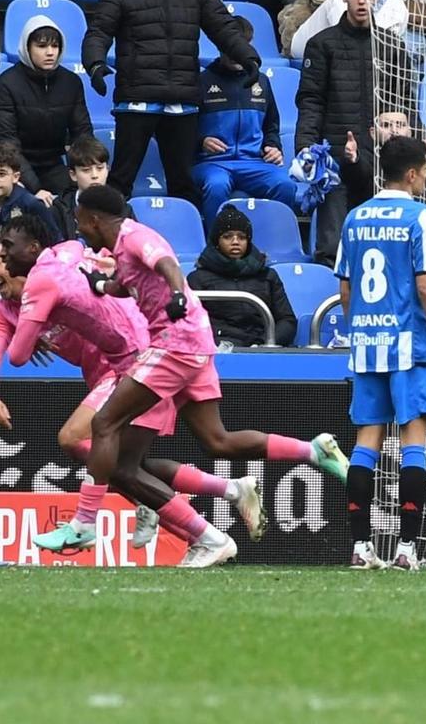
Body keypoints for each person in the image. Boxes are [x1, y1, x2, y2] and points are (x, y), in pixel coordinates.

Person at [33, 185, 353, 556]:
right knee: (217, 441)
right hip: (196, 344)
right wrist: (100, 284)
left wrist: (177, 293)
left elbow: (167, 264)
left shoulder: (135, 237)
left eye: (80, 222)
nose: (80, 229)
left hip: (174, 343)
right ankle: (312, 451)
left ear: (91, 218)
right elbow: (126, 286)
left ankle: (83, 524)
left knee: (105, 425)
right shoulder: (119, 250)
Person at [0, 225, 261, 557]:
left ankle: (199, 530)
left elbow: (75, 248)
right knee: (124, 467)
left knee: (76, 441)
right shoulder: (3, 309)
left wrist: (103, 264)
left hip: (132, 360)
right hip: (101, 375)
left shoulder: (54, 272)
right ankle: (226, 494)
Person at [334, 136, 426, 570]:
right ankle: (407, 549)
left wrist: (359, 332)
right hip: (410, 345)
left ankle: (360, 547)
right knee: (413, 442)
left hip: (368, 345)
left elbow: (346, 289)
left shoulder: (354, 218)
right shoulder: (420, 217)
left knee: (366, 443)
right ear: (411, 174)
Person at [84, 0, 261, 203]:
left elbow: (223, 27)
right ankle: (106, 248)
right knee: (120, 182)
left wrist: (249, 58)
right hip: (135, 99)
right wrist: (95, 63)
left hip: (183, 100)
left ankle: (187, 244)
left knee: (183, 185)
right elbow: (99, 31)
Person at [295, 0, 381, 264]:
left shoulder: (391, 47)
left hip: (379, 161)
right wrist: (305, 145)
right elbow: (310, 100)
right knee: (331, 250)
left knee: (377, 250)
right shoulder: (322, 44)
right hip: (334, 160)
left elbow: (403, 102)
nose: (362, 1)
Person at [193, 18, 296, 212]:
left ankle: (273, 240)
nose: (235, 54)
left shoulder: (262, 82)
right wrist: (201, 141)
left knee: (285, 186)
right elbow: (183, 130)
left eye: (242, 47)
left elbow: (271, 127)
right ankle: (214, 241)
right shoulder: (202, 82)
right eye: (229, 47)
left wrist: (273, 146)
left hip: (254, 163)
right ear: (218, 45)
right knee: (217, 186)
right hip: (213, 163)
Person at [0, 19, 91, 198]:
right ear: (27, 48)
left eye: (55, 46)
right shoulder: (6, 83)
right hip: (13, 166)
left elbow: (82, 133)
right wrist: (35, 188)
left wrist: (90, 173)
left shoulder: (71, 82)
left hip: (54, 164)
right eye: (42, 46)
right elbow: (6, 143)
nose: (50, 52)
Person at [188, 203, 295, 347]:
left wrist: (267, 342)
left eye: (242, 237)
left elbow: (287, 320)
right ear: (216, 241)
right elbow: (191, 322)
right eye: (227, 236)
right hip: (218, 348)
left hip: (262, 348)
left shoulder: (267, 275)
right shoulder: (197, 278)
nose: (235, 242)